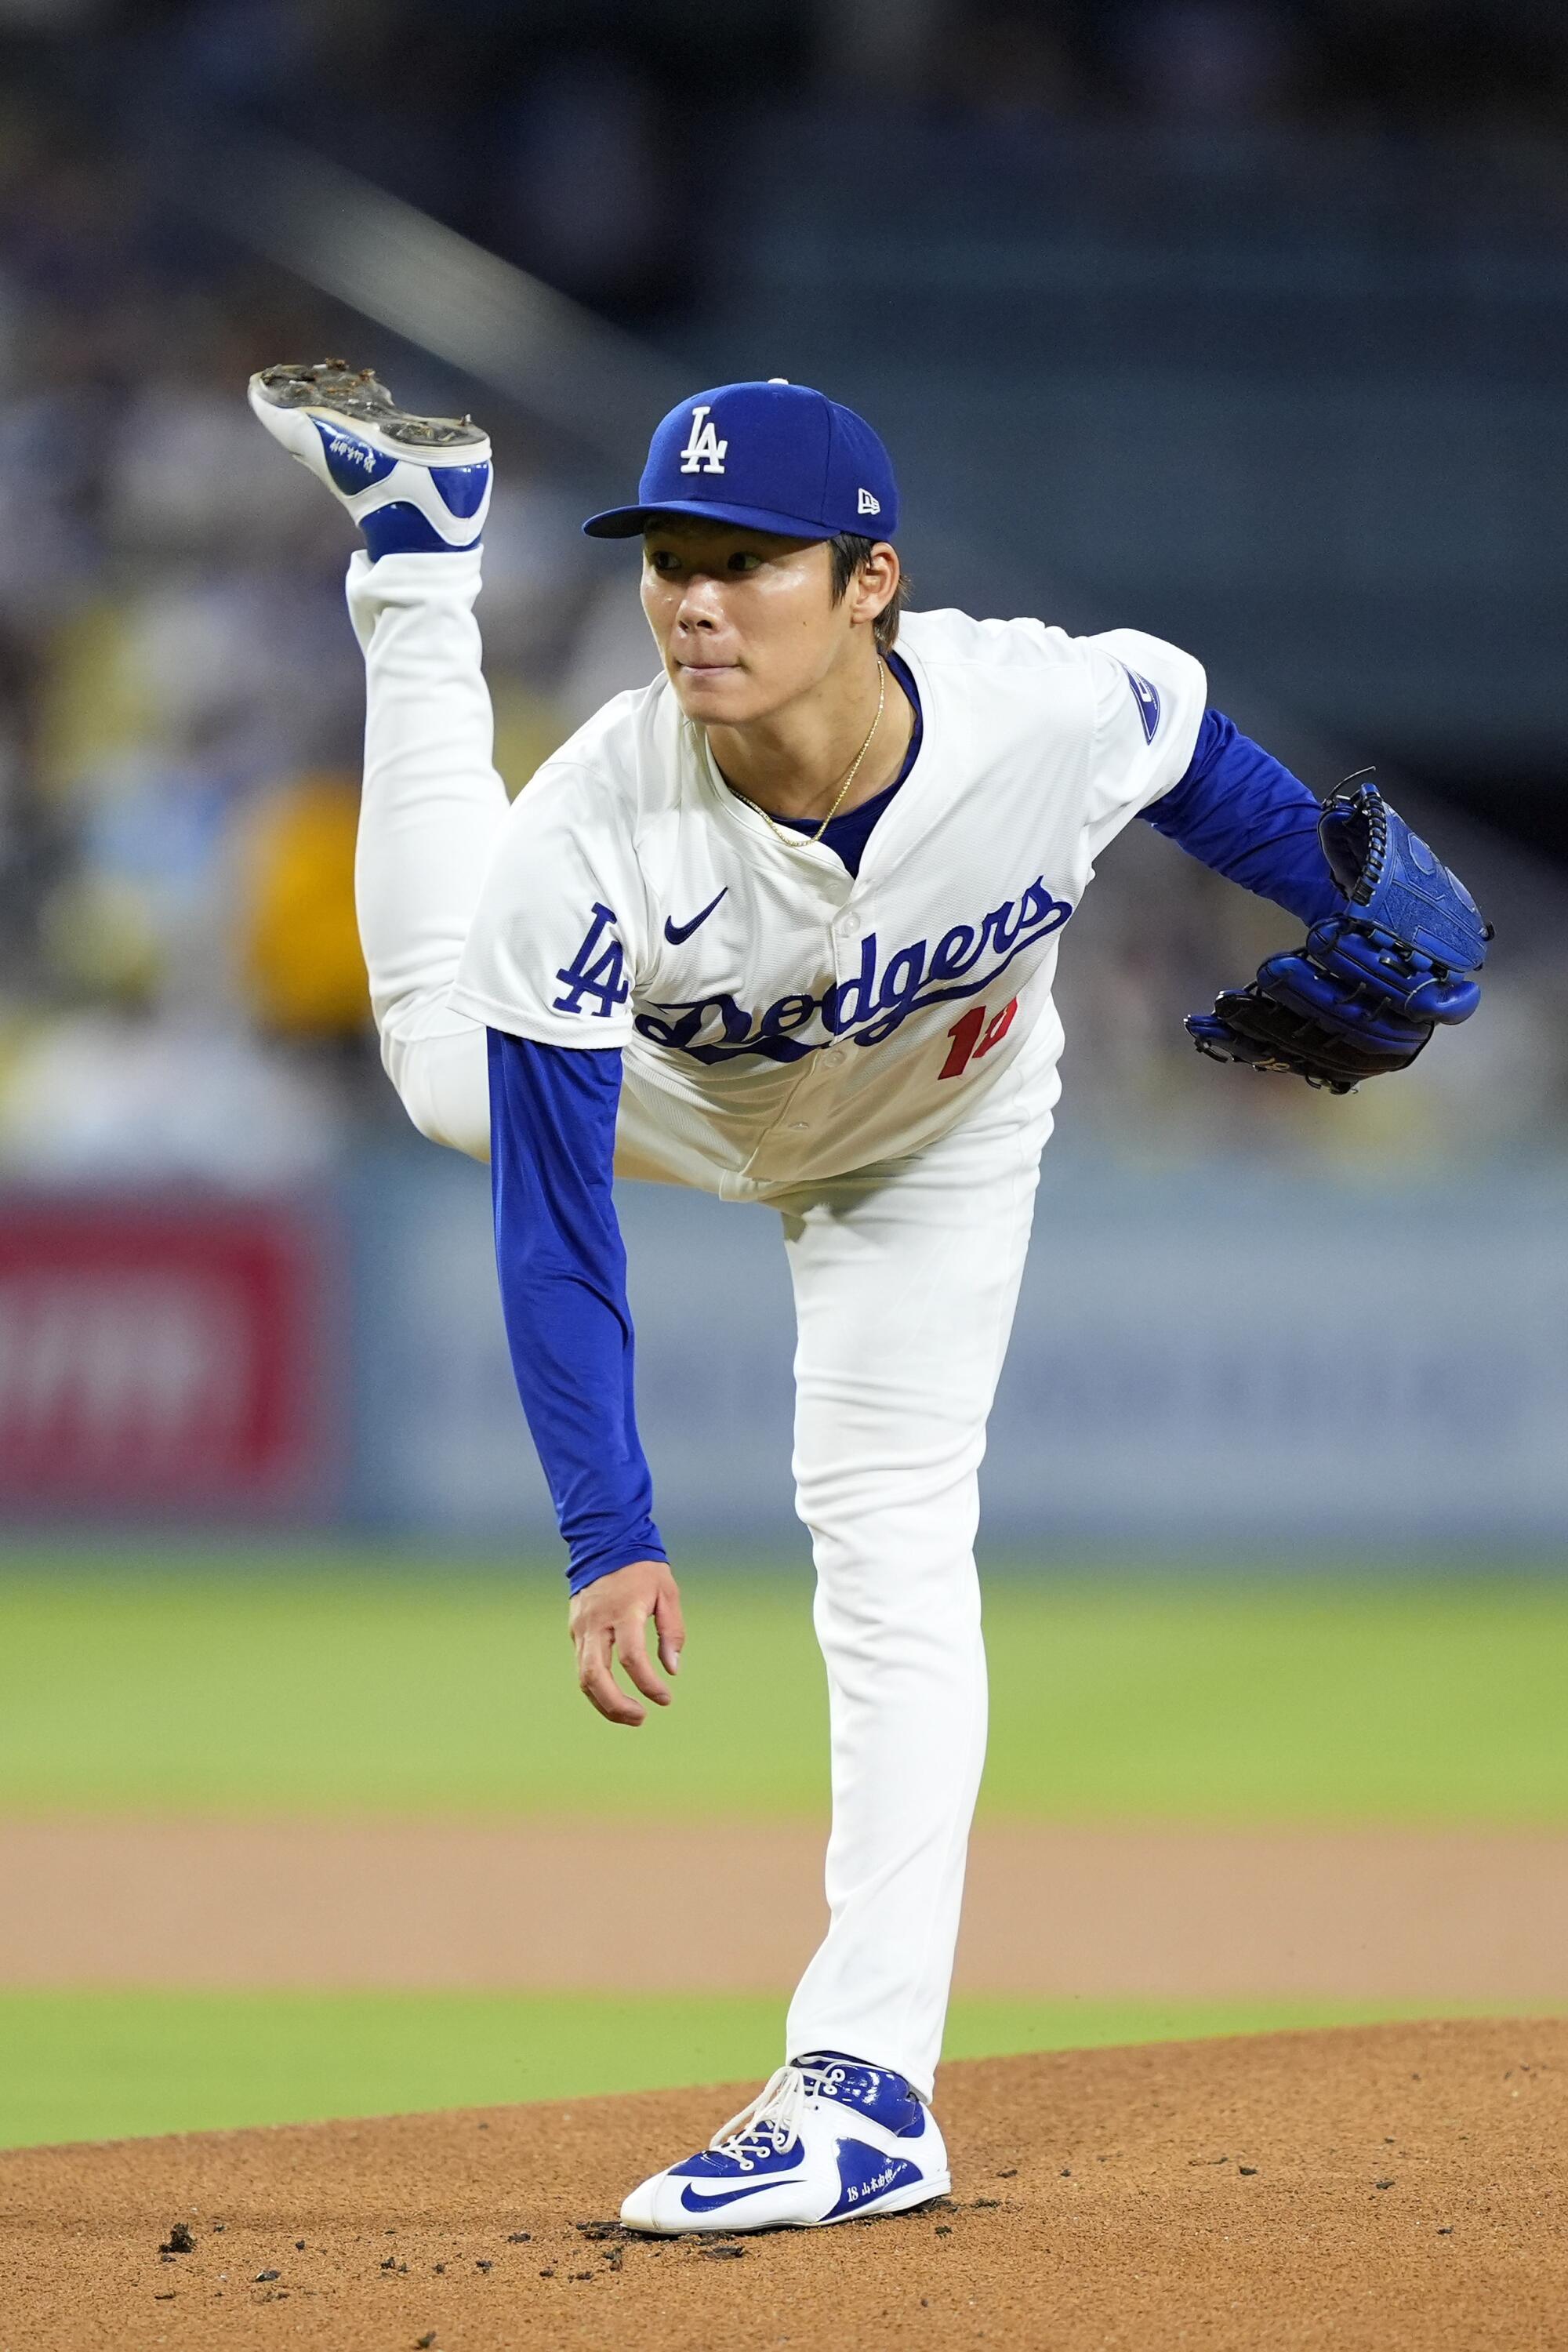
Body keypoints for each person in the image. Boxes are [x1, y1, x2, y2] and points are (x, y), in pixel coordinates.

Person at [249, 361, 1485, 2234]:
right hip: (689, 1093)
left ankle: (864, 2088)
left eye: (750, 559)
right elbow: (557, 1226)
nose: (694, 597)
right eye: (672, 554)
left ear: (870, 582)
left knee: (893, 1530)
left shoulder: (1038, 710)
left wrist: (1358, 897)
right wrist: (609, 1533)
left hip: (939, 1122)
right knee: (442, 1062)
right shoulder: (595, 832)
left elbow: (1200, 762)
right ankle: (418, 568)